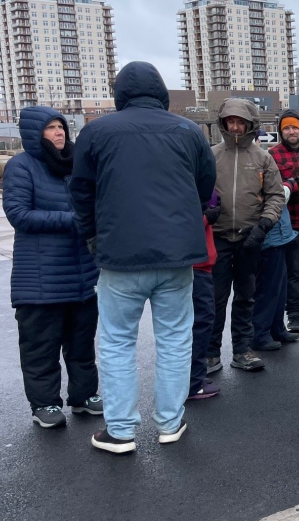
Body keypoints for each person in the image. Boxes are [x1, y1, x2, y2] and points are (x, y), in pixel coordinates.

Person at [70, 61, 216, 454]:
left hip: (119, 256)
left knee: (117, 342)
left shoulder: (96, 131)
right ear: (162, 92)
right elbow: (205, 185)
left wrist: (93, 236)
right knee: (174, 338)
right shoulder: (188, 131)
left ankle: (119, 431)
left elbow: (81, 191)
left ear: (120, 94)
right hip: (176, 255)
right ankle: (170, 422)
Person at [3, 107, 102, 429]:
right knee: (40, 346)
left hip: (82, 273)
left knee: (82, 343)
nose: (59, 133)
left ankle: (84, 396)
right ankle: (44, 403)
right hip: (41, 278)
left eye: (61, 127)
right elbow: (19, 214)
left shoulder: (75, 165)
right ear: (35, 134)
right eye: (51, 128)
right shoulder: (21, 166)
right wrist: (75, 221)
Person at [207, 98, 285, 374]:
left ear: (250, 124)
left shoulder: (263, 157)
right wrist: (206, 212)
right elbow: (197, 190)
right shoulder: (211, 155)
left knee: (246, 296)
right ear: (224, 123)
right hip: (216, 236)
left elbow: (276, 195)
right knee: (214, 298)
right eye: (231, 121)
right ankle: (210, 353)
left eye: (241, 122)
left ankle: (241, 349)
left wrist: (264, 225)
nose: (236, 127)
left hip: (250, 237)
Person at [268, 110, 299, 333]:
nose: (291, 132)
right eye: (287, 128)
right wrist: (294, 184)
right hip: (284, 224)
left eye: (295, 128)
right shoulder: (272, 155)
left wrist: (292, 185)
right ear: (281, 131)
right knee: (283, 274)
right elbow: (274, 189)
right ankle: (285, 318)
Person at [250, 193, 299, 351]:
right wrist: (288, 185)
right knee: (267, 290)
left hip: (279, 234)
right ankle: (260, 334)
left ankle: (276, 329)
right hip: (269, 235)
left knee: (279, 288)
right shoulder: (262, 168)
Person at [188, 192, 222, 400]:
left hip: (200, 263)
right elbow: (182, 221)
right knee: (201, 321)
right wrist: (207, 217)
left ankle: (196, 376)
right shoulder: (185, 179)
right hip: (195, 264)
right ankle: (192, 382)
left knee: (201, 321)